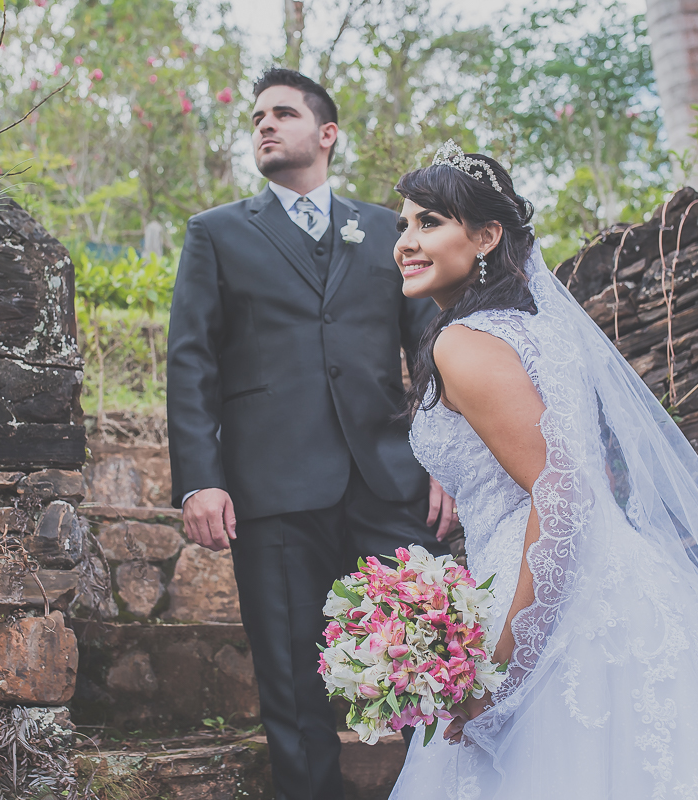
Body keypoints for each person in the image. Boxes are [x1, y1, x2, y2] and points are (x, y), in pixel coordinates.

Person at [386, 141, 698, 799]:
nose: (406, 240)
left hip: (554, 605)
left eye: (429, 222)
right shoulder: (530, 331)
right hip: (612, 585)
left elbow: (563, 490)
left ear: (487, 235)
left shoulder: (463, 343)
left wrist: (501, 669)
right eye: (403, 224)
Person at [165, 68, 455, 800]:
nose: (264, 124)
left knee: (431, 658)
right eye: (258, 116)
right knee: (293, 685)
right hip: (273, 489)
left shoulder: (392, 231)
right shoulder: (217, 234)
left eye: (283, 113)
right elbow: (191, 360)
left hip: (390, 482)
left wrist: (451, 462)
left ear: (326, 134)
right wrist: (202, 477)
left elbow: (434, 353)